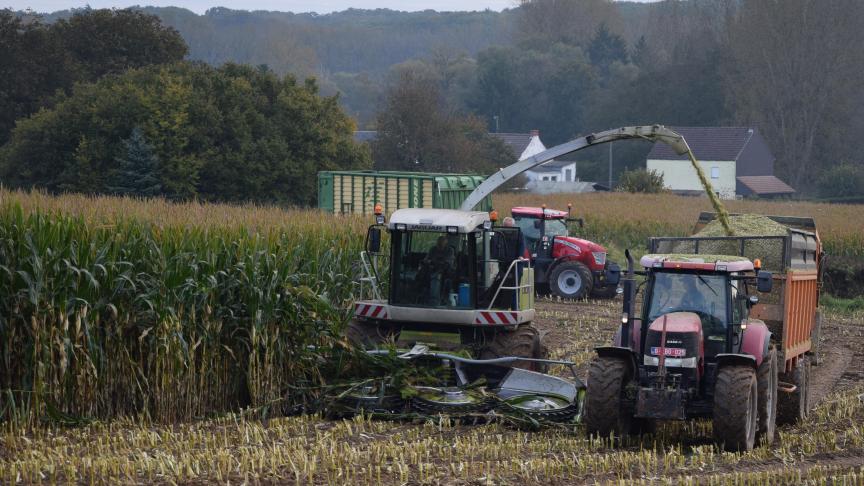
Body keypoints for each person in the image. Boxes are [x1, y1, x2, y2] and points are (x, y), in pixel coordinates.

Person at [425, 235, 455, 305]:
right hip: (431, 270)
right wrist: (428, 261)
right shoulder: (433, 249)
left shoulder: (450, 250)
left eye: (442, 242)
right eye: (439, 242)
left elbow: (448, 262)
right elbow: (426, 259)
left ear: (446, 243)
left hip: (446, 272)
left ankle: (435, 301)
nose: (440, 243)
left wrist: (437, 263)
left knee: (438, 278)